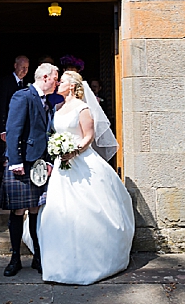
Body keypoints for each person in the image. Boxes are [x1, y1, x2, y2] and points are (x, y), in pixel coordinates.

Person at [38, 70, 134, 285]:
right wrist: (57, 150)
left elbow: (89, 136)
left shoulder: (83, 108)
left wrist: (74, 150)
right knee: (60, 210)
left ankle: (93, 260)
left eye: (61, 81)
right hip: (61, 165)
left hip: (81, 161)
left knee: (87, 209)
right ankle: (59, 264)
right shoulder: (58, 107)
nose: (57, 84)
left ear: (71, 85)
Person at [0, 63, 59, 277]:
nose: (57, 82)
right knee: (17, 211)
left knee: (35, 209)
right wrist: (14, 161)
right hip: (22, 163)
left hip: (39, 164)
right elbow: (13, 129)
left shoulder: (49, 100)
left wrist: (50, 160)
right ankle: (15, 258)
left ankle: (37, 257)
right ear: (44, 77)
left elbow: (48, 132)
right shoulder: (22, 96)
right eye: (55, 77)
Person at [0, 55, 30, 142]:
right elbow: (1, 105)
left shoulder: (28, 83)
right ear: (15, 66)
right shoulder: (6, 82)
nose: (25, 71)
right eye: (22, 67)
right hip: (9, 125)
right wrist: (2, 128)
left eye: (27, 68)